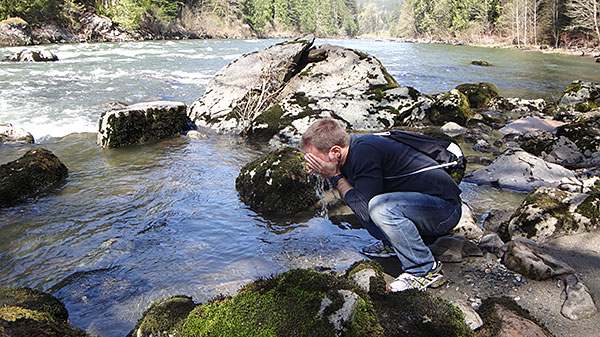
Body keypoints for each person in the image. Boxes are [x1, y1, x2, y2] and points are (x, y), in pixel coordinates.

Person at [301, 118, 462, 292]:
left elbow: (364, 210)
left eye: (314, 159)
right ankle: (394, 244)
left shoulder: (364, 152)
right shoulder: (352, 150)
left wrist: (335, 176)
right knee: (368, 202)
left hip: (445, 210)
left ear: (335, 152)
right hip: (420, 207)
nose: (311, 166)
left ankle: (423, 269)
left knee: (379, 208)